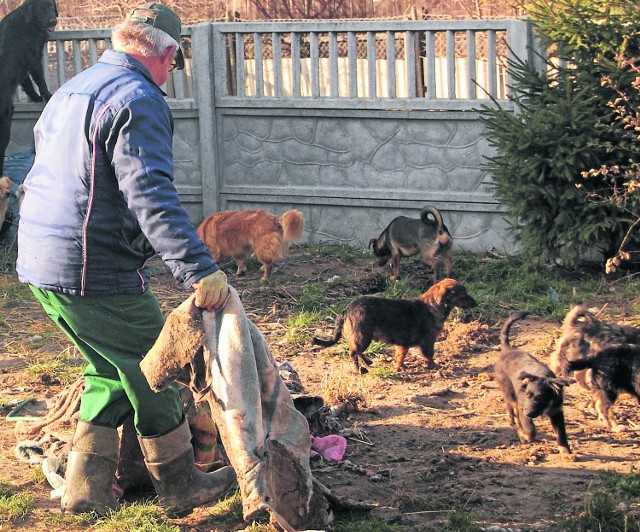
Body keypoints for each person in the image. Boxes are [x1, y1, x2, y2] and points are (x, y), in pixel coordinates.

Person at [16, 2, 236, 517]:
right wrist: (200, 269)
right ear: (165, 53)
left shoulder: (74, 88)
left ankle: (84, 491)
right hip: (93, 269)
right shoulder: (139, 98)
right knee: (153, 370)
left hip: (40, 263)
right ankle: (182, 485)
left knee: (107, 371)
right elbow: (151, 195)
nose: (170, 74)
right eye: (174, 63)